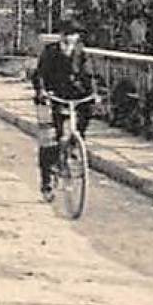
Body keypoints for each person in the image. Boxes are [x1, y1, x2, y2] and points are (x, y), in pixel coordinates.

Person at [32, 19, 95, 200]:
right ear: (61, 35)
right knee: (49, 138)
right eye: (66, 34)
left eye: (73, 34)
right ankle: (47, 181)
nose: (69, 38)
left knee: (88, 109)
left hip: (74, 94)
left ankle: (77, 141)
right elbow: (40, 75)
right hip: (51, 96)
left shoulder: (80, 52)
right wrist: (42, 91)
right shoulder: (50, 52)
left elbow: (88, 75)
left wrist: (93, 93)